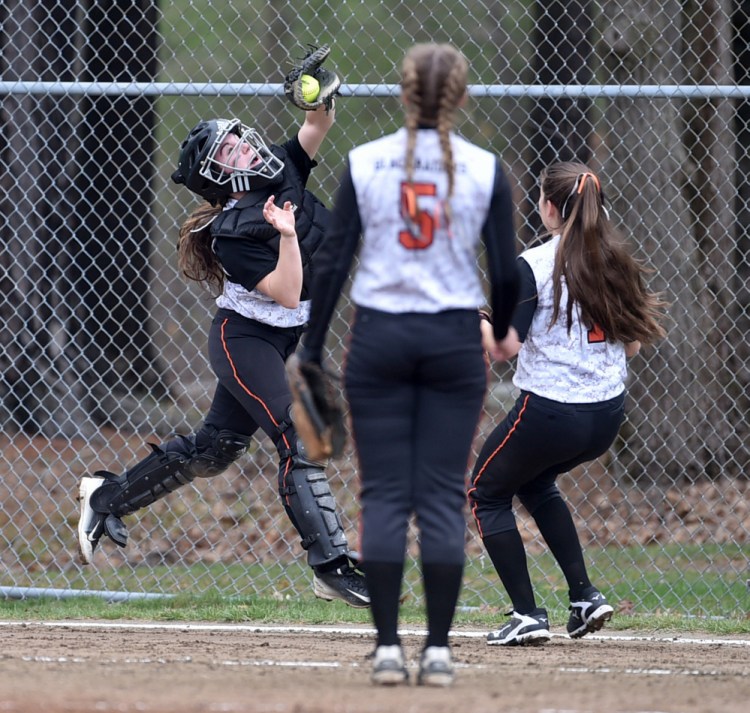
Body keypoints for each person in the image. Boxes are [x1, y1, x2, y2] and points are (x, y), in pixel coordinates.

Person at [77, 105, 370, 609]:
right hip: (244, 340)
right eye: (230, 149)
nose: (247, 147)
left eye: (240, 138)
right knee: (295, 436)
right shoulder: (232, 230)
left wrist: (319, 96)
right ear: (220, 177)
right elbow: (286, 291)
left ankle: (105, 497)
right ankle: (331, 567)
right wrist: (287, 236)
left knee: (215, 450)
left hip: (282, 338)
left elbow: (316, 127)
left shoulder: (279, 169)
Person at [296, 43, 520, 686]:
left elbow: (335, 262)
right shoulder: (484, 168)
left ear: (402, 95)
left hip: (380, 342)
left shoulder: (367, 162)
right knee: (445, 502)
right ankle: (441, 652)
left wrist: (310, 349)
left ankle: (390, 649)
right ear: (460, 97)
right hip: (453, 342)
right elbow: (504, 269)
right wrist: (502, 330)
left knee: (386, 497)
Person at [469, 161, 667, 646]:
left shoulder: (535, 264)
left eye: (541, 198)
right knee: (535, 483)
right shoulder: (614, 257)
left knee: (485, 492)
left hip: (552, 412)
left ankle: (527, 614)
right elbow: (633, 345)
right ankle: (584, 597)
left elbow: (503, 348)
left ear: (551, 208)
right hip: (606, 415)